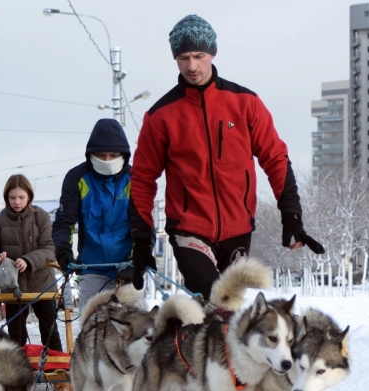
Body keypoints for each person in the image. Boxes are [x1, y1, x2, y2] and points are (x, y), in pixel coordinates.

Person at [128, 14, 324, 299]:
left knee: (228, 313)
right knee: (212, 300)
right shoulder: (160, 116)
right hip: (189, 229)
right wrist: (141, 239)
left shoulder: (246, 103)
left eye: (199, 55)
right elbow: (143, 180)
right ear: (175, 59)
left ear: (212, 53)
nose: (192, 66)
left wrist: (291, 214)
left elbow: (276, 159)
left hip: (238, 228)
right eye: (183, 57)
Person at [0, 174, 63, 352]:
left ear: (29, 196)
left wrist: (28, 261)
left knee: (50, 332)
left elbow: (50, 248)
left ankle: (59, 372)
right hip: (12, 288)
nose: (17, 202)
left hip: (42, 285)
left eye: (21, 197)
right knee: (16, 336)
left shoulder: (41, 217)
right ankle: (18, 375)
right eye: (12, 197)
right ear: (6, 197)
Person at [52, 118, 134, 309]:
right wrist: (63, 250)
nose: (107, 160)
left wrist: (136, 261)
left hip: (128, 268)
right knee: (91, 327)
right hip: (92, 268)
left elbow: (143, 225)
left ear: (123, 154)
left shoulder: (135, 178)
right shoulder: (76, 178)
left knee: (137, 328)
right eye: (101, 155)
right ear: (91, 154)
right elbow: (64, 222)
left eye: (113, 155)